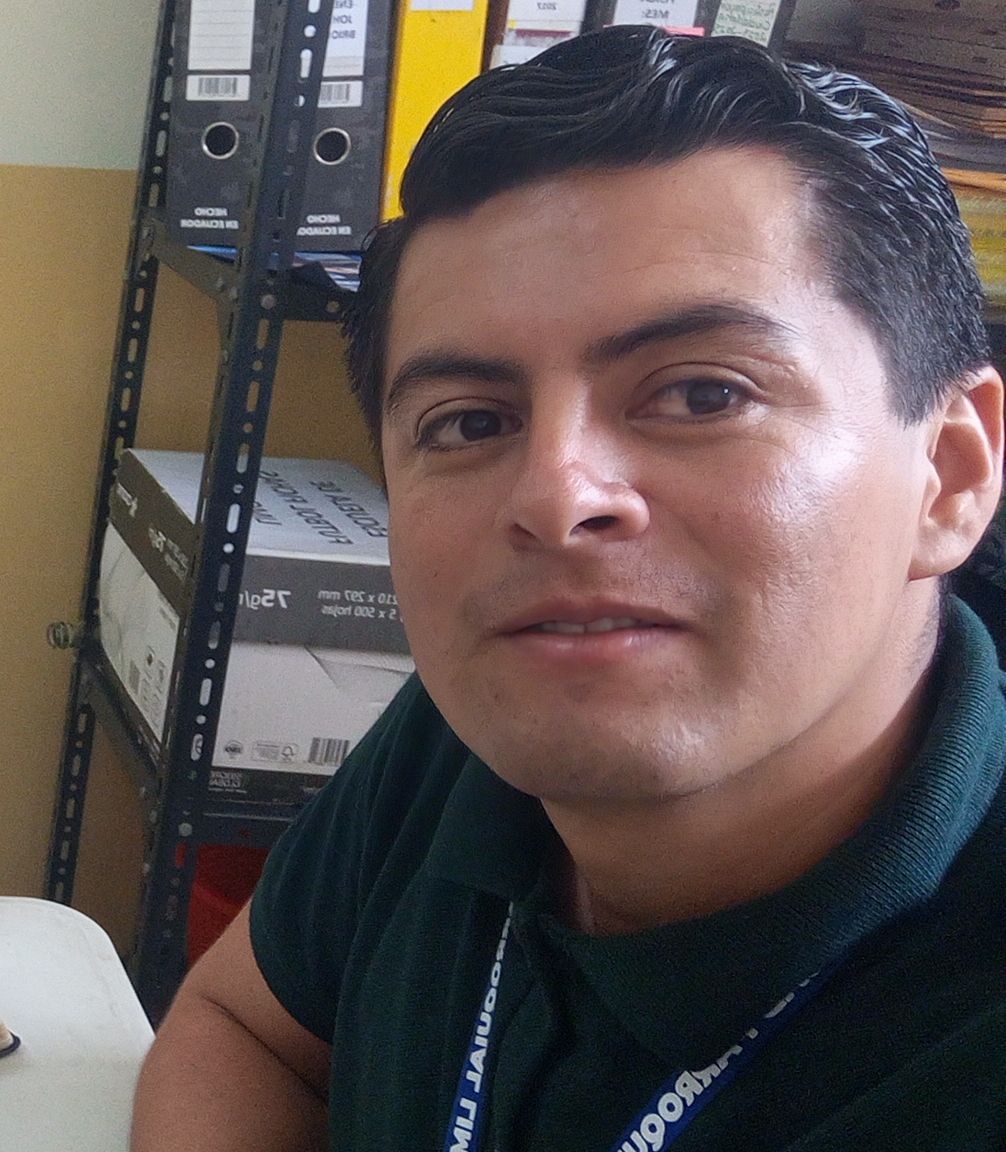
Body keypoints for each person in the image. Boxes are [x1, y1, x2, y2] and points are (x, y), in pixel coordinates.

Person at [131, 28, 1006, 1149]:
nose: (553, 497)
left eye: (701, 394)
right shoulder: (477, 732)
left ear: (948, 474)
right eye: (468, 423)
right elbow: (243, 1026)